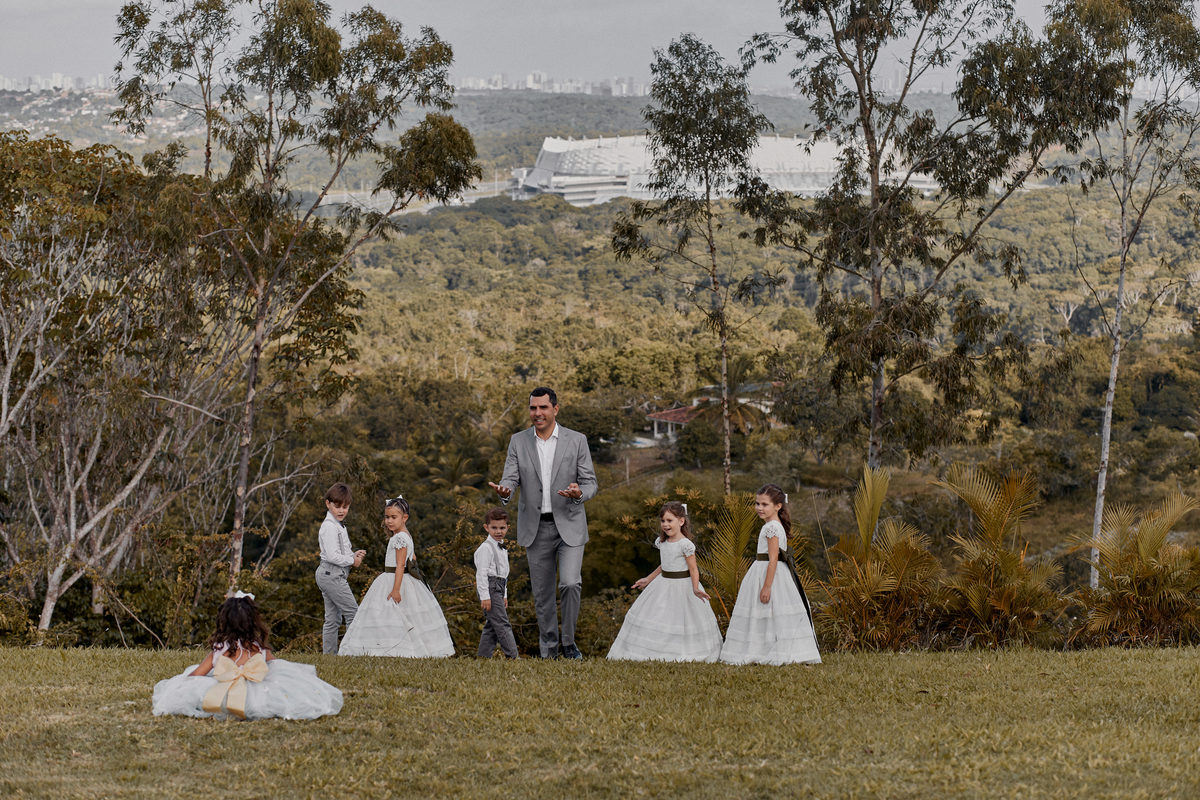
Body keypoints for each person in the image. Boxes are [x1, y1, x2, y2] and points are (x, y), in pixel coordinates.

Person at [488, 387, 598, 659]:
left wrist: (579, 493)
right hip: (535, 529)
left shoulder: (577, 440)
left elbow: (590, 482)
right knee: (543, 595)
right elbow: (510, 479)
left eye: (543, 408)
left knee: (571, 583)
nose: (537, 413)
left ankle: (569, 644)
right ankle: (548, 650)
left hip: (570, 524)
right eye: (533, 408)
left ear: (555, 409)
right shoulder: (518, 441)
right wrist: (505, 491)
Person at [152, 592, 343, 720]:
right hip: (257, 694)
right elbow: (277, 667)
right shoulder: (259, 648)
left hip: (223, 693)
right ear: (253, 622)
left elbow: (195, 677)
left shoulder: (220, 649)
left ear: (224, 622)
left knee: (192, 685)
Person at [337, 494, 454, 658]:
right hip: (396, 577)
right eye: (387, 517)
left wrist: (396, 590)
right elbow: (412, 558)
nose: (389, 521)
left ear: (404, 517)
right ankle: (390, 648)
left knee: (390, 614)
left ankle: (395, 650)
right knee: (393, 616)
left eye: (394, 517)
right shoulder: (405, 535)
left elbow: (400, 565)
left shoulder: (400, 537)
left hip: (395, 579)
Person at [607, 502, 723, 662]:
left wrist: (695, 588)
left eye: (670, 520)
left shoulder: (685, 545)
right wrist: (648, 579)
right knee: (657, 616)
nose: (665, 525)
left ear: (681, 521)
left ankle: (678, 653)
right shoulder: (662, 542)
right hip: (662, 585)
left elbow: (694, 569)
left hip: (683, 586)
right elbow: (665, 565)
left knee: (681, 620)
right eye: (663, 521)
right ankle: (654, 652)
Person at [720, 484, 821, 666]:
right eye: (757, 503)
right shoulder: (774, 525)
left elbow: (773, 557)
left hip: (768, 572)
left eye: (764, 504)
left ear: (778, 506)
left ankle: (763, 650)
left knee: (765, 609)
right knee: (768, 614)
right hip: (764, 569)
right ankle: (765, 647)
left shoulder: (771, 527)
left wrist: (767, 586)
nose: (759, 508)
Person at [314, 483, 365, 655]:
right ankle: (350, 654)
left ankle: (329, 655)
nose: (342, 511)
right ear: (328, 504)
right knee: (353, 613)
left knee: (332, 619)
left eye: (345, 507)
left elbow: (339, 551)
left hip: (330, 574)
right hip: (331, 574)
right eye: (337, 506)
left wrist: (353, 554)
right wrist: (352, 560)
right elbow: (332, 556)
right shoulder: (329, 527)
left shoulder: (338, 525)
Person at [474, 507, 519, 659]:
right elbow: (481, 574)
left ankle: (483, 657)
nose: (498, 531)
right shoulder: (485, 548)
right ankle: (513, 657)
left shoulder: (502, 548)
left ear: (508, 528)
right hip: (490, 587)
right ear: (486, 528)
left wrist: (504, 594)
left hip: (499, 587)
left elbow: (503, 573)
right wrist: (485, 596)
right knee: (502, 623)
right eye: (494, 528)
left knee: (492, 626)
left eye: (502, 528)